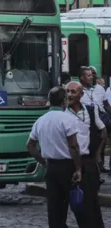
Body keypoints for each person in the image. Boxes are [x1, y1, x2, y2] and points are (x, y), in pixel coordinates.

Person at [26, 86, 81, 228]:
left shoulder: (41, 120)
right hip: (67, 166)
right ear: (64, 101)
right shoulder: (67, 119)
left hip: (50, 167)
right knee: (76, 204)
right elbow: (73, 146)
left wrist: (42, 161)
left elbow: (30, 145)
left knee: (54, 207)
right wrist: (78, 169)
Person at [65, 81, 106, 227]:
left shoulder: (90, 109)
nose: (69, 95)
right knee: (79, 202)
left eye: (73, 92)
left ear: (81, 94)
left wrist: (99, 153)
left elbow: (102, 130)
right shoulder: (63, 113)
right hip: (71, 162)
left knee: (92, 200)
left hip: (88, 161)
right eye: (67, 91)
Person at [80, 66, 111, 173]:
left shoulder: (100, 89)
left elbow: (106, 105)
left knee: (101, 142)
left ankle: (99, 166)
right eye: (89, 75)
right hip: (85, 122)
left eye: (93, 74)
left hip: (99, 118)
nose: (92, 77)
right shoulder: (78, 89)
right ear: (82, 77)